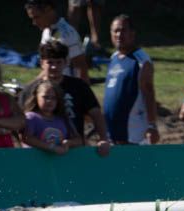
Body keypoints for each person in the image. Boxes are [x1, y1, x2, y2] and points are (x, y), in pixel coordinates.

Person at [22, 40, 112, 155]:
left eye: (59, 62)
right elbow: (20, 122)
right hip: (37, 153)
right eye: (50, 62)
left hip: (73, 149)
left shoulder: (79, 86)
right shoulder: (30, 90)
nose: (54, 67)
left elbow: (96, 114)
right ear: (42, 63)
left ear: (66, 62)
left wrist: (103, 139)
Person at [103, 15, 159, 145]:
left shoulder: (141, 60)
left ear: (132, 33)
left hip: (133, 135)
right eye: (115, 31)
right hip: (112, 134)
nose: (119, 35)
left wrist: (152, 125)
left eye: (123, 30)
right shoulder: (114, 58)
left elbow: (149, 93)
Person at [25, 0, 88, 82]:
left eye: (37, 17)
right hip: (51, 85)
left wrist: (82, 89)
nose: (34, 23)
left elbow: (81, 67)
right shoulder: (46, 31)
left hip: (66, 86)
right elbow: (46, 69)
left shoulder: (67, 34)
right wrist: (29, 87)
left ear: (48, 9)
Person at [22, 79, 75, 154]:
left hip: (58, 160)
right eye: (45, 97)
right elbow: (27, 138)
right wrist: (52, 148)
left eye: (54, 98)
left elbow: (80, 140)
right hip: (33, 159)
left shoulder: (63, 119)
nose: (49, 101)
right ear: (36, 97)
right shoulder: (31, 117)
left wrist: (68, 143)